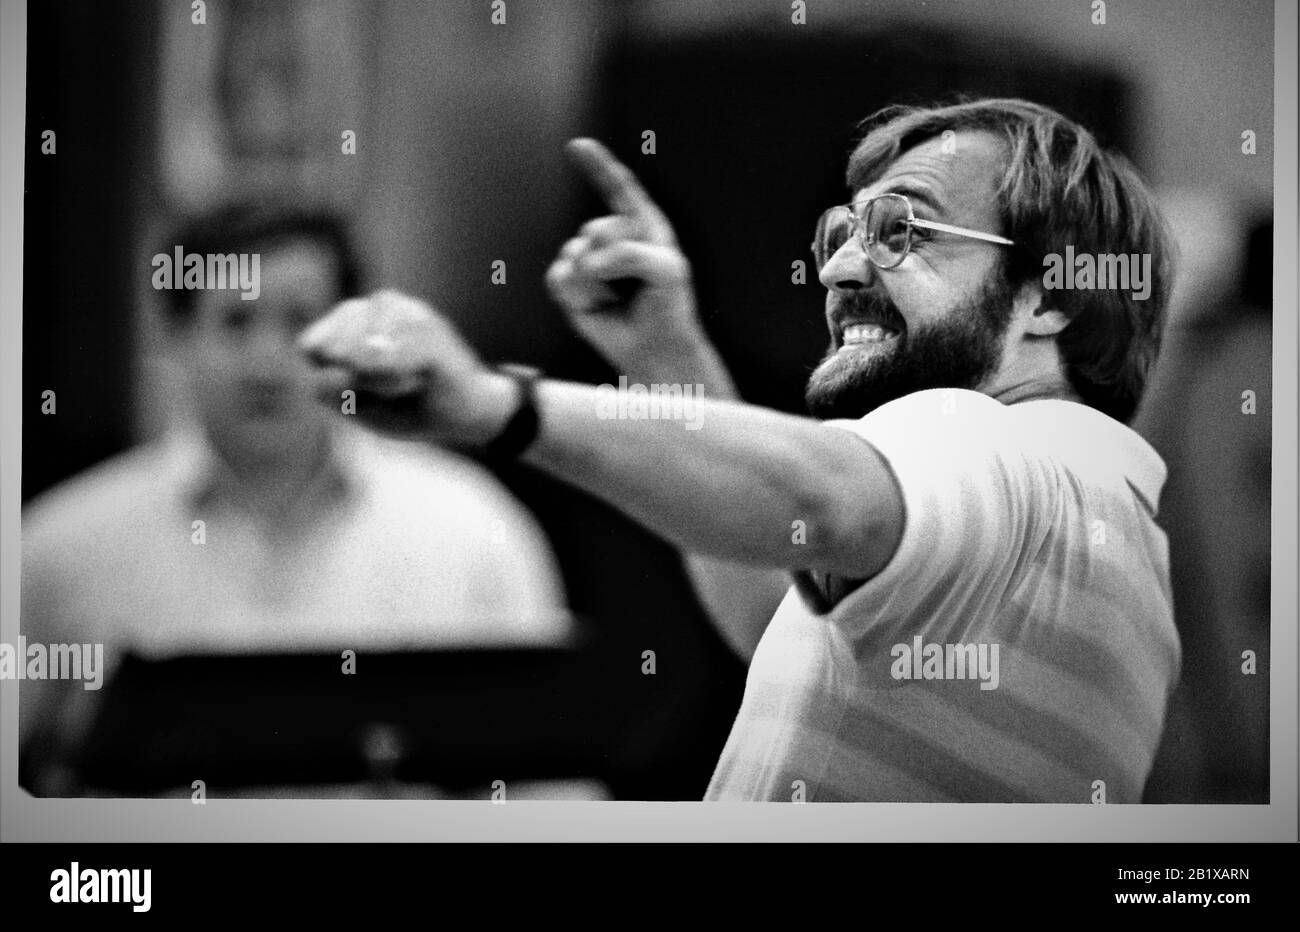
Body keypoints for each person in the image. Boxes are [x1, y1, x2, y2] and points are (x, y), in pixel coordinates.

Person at [299, 98, 1181, 802]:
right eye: (841, 234)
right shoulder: (1099, 520)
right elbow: (780, 619)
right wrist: (662, 356)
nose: (838, 273)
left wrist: (489, 404)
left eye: (902, 232)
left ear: (1050, 298)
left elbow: (818, 502)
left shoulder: (1001, 444)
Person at [21, 202, 573, 796]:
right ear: (177, 338)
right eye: (235, 321)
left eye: (300, 321)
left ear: (354, 343)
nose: (266, 362)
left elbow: (560, 780)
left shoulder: (471, 526)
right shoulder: (61, 546)